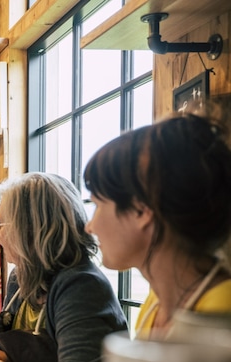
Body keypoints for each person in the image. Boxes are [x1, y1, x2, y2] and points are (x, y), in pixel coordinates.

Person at [0, 172, 127, 362]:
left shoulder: (81, 287)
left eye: (1, 223)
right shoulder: (21, 276)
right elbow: (3, 342)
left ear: (33, 229)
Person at [84, 113, 231, 339]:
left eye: (98, 205)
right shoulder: (155, 302)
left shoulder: (222, 311)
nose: (89, 227)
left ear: (141, 211)